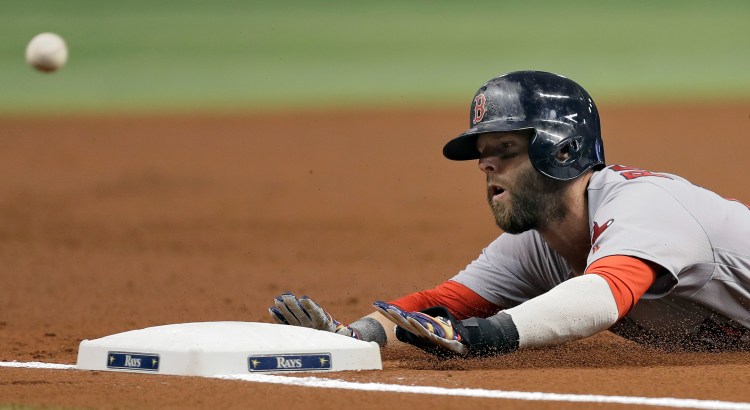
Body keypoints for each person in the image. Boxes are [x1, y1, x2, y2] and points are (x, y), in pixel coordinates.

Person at [269, 70, 750, 357]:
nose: (485, 163)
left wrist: (484, 337)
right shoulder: (540, 241)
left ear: (560, 151)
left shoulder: (643, 207)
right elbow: (441, 308)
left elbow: (602, 298)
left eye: (505, 148)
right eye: (483, 152)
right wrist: (350, 339)